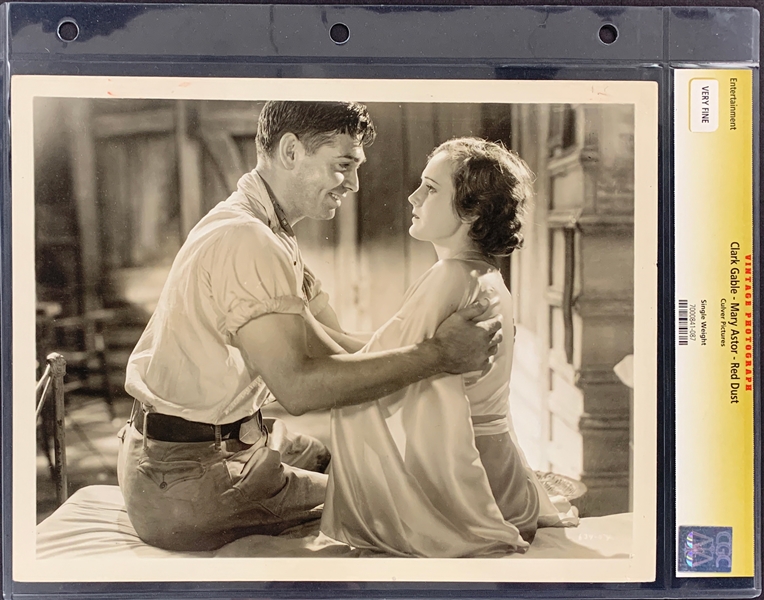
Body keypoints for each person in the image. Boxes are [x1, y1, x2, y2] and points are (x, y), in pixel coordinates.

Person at [117, 102, 502, 552]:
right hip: (184, 480)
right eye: (343, 166)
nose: (354, 184)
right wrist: (437, 356)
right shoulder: (246, 239)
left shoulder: (268, 228)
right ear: (291, 151)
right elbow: (299, 388)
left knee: (335, 456)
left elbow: (333, 347)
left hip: (199, 451)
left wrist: (436, 349)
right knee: (385, 501)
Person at [322, 137, 578, 558]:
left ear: (472, 211)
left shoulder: (449, 277)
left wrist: (306, 315)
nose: (413, 196)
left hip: (468, 485)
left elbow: (371, 373)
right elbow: (385, 350)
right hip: (504, 479)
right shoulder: (486, 276)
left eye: (431, 188)